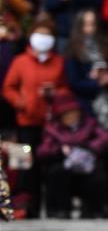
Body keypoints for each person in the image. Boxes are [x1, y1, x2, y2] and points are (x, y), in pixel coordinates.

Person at [2, 16, 69, 218]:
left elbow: (66, 89)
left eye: (47, 34)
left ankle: (55, 208)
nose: (43, 38)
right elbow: (8, 87)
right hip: (27, 122)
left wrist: (54, 93)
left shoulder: (59, 62)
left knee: (51, 164)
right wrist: (20, 102)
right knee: (26, 166)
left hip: (51, 124)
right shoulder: (21, 61)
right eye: (40, 33)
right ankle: (28, 207)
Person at [37, 93, 108, 218]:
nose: (71, 117)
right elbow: (43, 150)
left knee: (98, 173)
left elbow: (106, 138)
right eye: (67, 114)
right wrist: (59, 150)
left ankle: (93, 209)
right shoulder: (53, 128)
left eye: (74, 113)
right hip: (63, 164)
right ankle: (61, 209)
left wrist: (89, 147)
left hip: (87, 163)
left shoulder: (89, 123)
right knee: (56, 172)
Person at [64, 9, 108, 129]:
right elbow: (73, 82)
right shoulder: (74, 50)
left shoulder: (106, 46)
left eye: (93, 24)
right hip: (86, 105)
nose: (89, 29)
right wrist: (96, 83)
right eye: (86, 24)